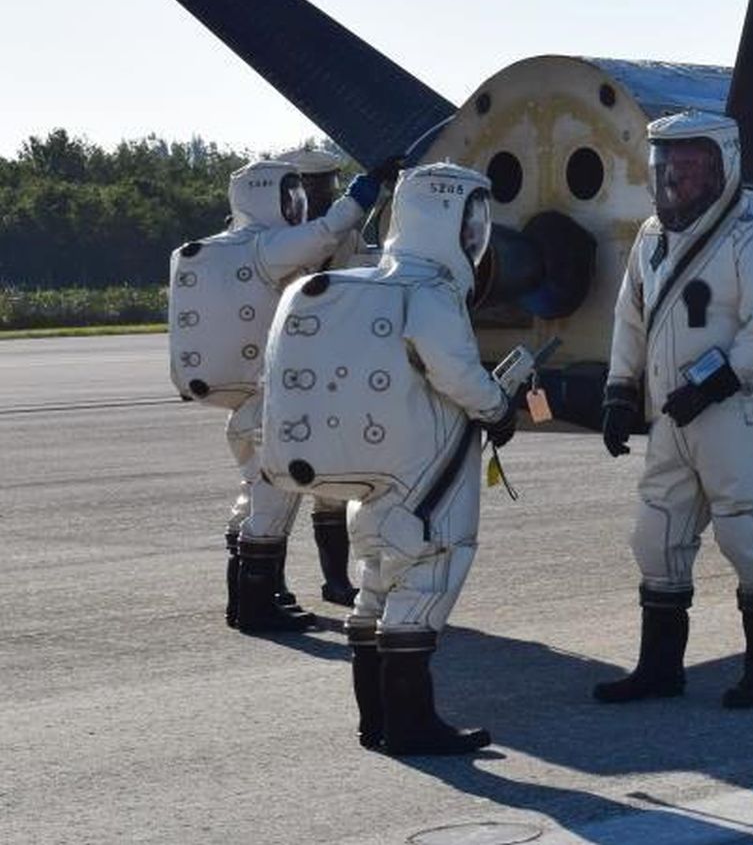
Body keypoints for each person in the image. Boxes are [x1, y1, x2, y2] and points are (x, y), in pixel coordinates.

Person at [261, 162, 514, 755]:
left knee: (374, 594)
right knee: (421, 590)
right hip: (424, 484)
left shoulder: (371, 281)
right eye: (473, 219)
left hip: (371, 485)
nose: (477, 235)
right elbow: (456, 373)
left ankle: (373, 721)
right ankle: (411, 724)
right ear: (455, 220)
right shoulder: (430, 293)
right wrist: (500, 408)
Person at [597, 109, 753, 710]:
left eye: (690, 168)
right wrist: (620, 390)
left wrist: (717, 382)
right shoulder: (651, 238)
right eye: (666, 166)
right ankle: (660, 669)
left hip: (740, 414)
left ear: (723, 167)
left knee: (750, 534)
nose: (675, 181)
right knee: (656, 535)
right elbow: (630, 317)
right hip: (674, 416)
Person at [169, 157, 379, 634]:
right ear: (267, 197)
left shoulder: (227, 247)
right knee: (272, 505)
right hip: (267, 403)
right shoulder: (266, 249)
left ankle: (247, 600)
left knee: (252, 500)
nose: (297, 204)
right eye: (291, 196)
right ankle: (257, 606)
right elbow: (326, 233)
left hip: (241, 404)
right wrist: (366, 192)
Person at [277, 146, 375, 605]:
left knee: (331, 483)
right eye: (319, 185)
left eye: (331, 183)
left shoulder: (344, 229)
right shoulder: (289, 235)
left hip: (339, 361)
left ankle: (334, 581)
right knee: (280, 489)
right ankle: (272, 582)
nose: (325, 192)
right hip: (300, 367)